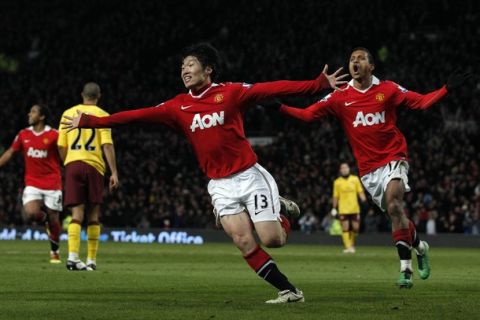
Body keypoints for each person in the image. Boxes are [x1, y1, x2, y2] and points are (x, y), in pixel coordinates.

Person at [61, 43, 347, 302]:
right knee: (243, 240)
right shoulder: (178, 105)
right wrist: (89, 121)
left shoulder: (231, 93)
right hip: (219, 185)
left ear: (208, 69)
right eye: (182, 66)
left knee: (273, 240)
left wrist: (316, 84)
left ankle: (280, 212)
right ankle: (289, 291)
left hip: (249, 176)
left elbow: (273, 88)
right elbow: (137, 115)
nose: (184, 69)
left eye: (190, 64)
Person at [279, 47, 469, 288]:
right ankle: (420, 247)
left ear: (371, 67)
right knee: (396, 213)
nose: (354, 61)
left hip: (394, 157)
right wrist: (279, 107)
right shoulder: (340, 96)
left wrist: (446, 89)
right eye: (351, 59)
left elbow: (420, 103)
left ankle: (405, 270)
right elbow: (307, 115)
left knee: (394, 203)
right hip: (368, 170)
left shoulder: (387, 89)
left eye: (360, 58)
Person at [58, 82, 119, 271]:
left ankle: (73, 257)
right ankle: (91, 260)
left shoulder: (68, 113)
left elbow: (60, 146)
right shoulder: (102, 115)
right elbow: (107, 145)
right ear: (98, 96)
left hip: (73, 163)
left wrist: (68, 162)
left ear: (81, 95)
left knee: (76, 214)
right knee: (93, 214)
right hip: (94, 166)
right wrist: (114, 172)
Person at [0, 104, 63, 263]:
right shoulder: (23, 134)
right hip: (33, 182)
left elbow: (64, 157)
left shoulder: (55, 135)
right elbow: (10, 152)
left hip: (52, 183)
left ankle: (54, 251)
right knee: (30, 213)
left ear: (41, 117)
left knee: (54, 219)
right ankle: (44, 219)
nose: (29, 114)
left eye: (33, 112)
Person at [330, 162, 366, 253]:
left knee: (355, 228)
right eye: (342, 168)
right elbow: (335, 196)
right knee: (345, 228)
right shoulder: (337, 182)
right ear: (340, 170)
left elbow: (360, 191)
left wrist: (363, 198)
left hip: (354, 208)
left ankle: (352, 245)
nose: (344, 169)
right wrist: (334, 208)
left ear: (349, 169)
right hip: (343, 209)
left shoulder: (355, 179)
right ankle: (348, 247)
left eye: (346, 167)